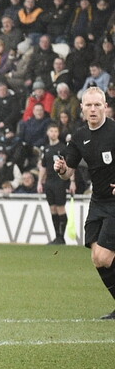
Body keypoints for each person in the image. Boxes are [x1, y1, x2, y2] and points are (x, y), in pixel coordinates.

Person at [54, 86, 115, 320]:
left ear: (105, 107)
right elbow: (68, 172)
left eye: (97, 105)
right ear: (81, 108)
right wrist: (61, 170)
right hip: (98, 201)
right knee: (96, 257)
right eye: (88, 105)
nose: (93, 109)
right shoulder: (79, 136)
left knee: (104, 257)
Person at [39, 122, 74, 245]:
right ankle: (57, 236)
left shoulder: (63, 148)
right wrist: (39, 182)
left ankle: (61, 237)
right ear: (48, 133)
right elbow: (43, 167)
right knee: (52, 209)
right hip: (49, 182)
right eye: (51, 131)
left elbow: (71, 164)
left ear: (58, 133)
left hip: (60, 181)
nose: (53, 133)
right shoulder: (46, 148)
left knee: (60, 208)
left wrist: (72, 182)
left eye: (56, 131)